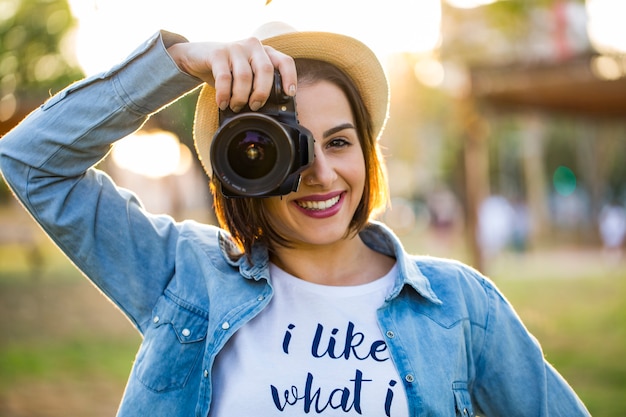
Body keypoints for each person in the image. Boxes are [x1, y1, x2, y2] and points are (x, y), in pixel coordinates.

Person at [0, 22, 590, 417]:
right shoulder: (184, 277)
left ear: (368, 151)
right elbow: (32, 161)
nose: (321, 175)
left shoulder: (463, 305)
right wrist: (178, 62)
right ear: (242, 170)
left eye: (339, 142)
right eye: (287, 148)